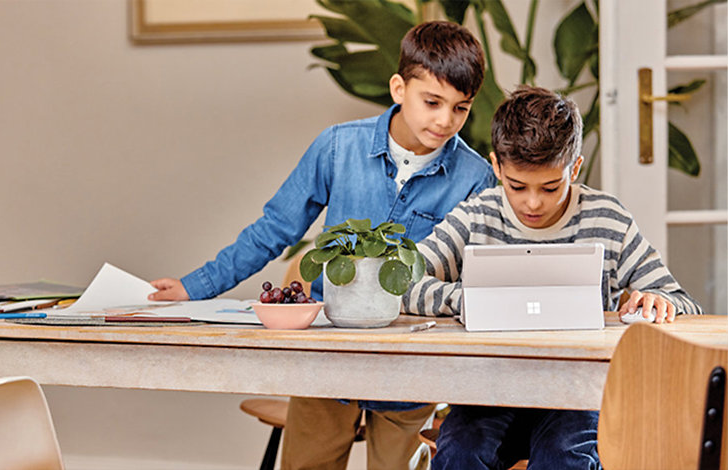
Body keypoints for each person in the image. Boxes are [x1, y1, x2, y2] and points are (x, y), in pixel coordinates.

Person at [149, 21, 497, 470]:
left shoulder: (475, 178)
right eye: (432, 102)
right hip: (326, 358)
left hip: (411, 365)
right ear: (398, 88)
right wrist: (194, 287)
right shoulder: (336, 148)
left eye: (461, 109)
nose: (444, 120)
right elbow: (275, 228)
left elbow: (475, 274)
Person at [402, 85, 703, 470]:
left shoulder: (607, 218)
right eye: (516, 186)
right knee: (461, 453)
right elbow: (405, 280)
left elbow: (684, 302)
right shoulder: (478, 215)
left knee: (564, 457)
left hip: (577, 394)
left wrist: (661, 302)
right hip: (487, 392)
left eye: (550, 187)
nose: (532, 202)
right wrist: (468, 300)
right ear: (497, 167)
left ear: (574, 168)